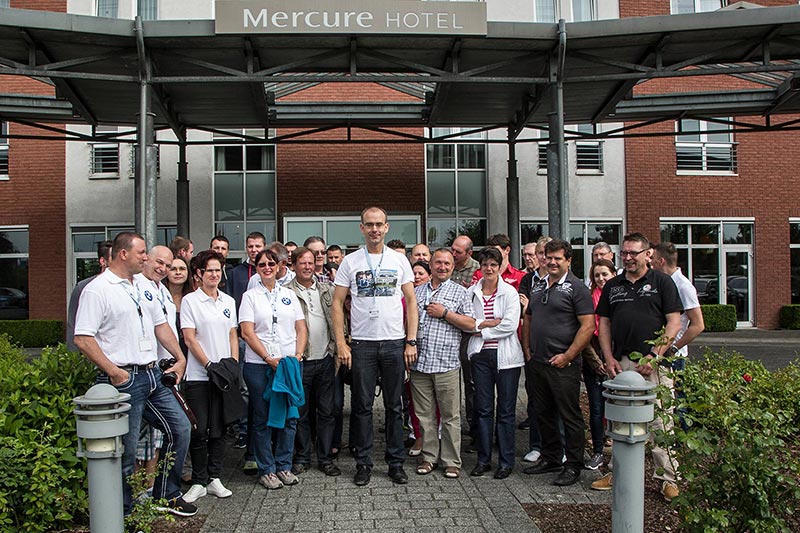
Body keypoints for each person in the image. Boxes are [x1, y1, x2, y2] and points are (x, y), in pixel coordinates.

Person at [73, 232, 195, 518]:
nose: (146, 257)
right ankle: (123, 513)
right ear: (123, 253)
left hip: (152, 375)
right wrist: (114, 373)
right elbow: (83, 338)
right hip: (123, 379)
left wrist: (180, 357)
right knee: (126, 452)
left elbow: (160, 325)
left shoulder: (141, 286)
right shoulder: (98, 288)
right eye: (141, 252)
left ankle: (166, 493)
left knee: (181, 429)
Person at [593, 232, 683, 502]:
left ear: (648, 255)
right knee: (620, 422)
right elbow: (604, 324)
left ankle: (668, 479)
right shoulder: (613, 285)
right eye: (624, 253)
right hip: (621, 364)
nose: (628, 258)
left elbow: (674, 323)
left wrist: (654, 355)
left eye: (634, 253)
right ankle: (618, 472)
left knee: (660, 422)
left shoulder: (663, 283)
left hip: (654, 365)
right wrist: (607, 358)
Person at [332, 206, 418, 486]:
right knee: (362, 406)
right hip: (363, 345)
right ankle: (364, 463)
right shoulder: (350, 262)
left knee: (395, 407)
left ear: (387, 227)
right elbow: (336, 304)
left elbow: (412, 302)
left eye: (379, 224)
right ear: (361, 228)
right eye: (369, 225)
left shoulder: (399, 260)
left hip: (394, 343)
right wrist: (342, 344)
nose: (374, 229)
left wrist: (410, 340)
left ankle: (395, 463)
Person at [522, 240, 594, 487]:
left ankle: (573, 464)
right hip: (538, 362)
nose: (551, 262)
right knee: (543, 413)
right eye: (548, 257)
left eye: (557, 258)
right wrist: (527, 349)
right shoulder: (538, 285)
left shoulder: (577, 288)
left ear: (569, 260)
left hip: (563, 364)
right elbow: (529, 316)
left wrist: (569, 355)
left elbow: (588, 326)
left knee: (569, 415)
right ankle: (551, 457)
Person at [239, 249, 308, 490]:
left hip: (288, 365)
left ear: (279, 266)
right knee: (262, 418)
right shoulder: (250, 297)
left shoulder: (289, 294)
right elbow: (247, 332)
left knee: (289, 417)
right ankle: (266, 469)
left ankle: (284, 465)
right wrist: (267, 357)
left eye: (271, 263)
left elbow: (301, 328)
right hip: (260, 366)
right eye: (261, 264)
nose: (267, 268)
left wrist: (298, 355)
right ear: (256, 268)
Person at [180, 250, 240, 503]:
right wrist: (208, 365)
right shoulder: (190, 302)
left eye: (218, 270)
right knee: (199, 429)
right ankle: (198, 480)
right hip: (199, 376)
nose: (214, 274)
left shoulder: (228, 301)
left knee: (220, 427)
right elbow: (189, 337)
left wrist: (233, 364)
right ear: (199, 274)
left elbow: (232, 334)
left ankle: (214, 478)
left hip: (224, 377)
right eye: (209, 270)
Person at [410, 249, 475, 479]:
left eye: (447, 263)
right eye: (438, 262)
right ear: (431, 264)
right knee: (425, 415)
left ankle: (451, 461)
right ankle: (429, 457)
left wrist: (445, 312)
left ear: (453, 266)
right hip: (420, 363)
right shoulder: (416, 292)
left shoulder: (460, 293)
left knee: (450, 415)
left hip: (446, 362)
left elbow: (471, 324)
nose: (443, 267)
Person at [467, 248, 524, 480]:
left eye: (493, 264)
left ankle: (505, 461)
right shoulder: (471, 292)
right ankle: (483, 460)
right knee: (482, 409)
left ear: (500, 266)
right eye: (484, 265)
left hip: (506, 358)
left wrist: (481, 328)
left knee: (506, 411)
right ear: (479, 267)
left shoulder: (509, 293)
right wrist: (488, 323)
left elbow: (509, 325)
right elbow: (466, 323)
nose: (488, 269)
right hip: (480, 356)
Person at [287, 247, 341, 477]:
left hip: (326, 358)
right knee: (301, 412)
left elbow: (338, 318)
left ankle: (325, 458)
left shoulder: (326, 289)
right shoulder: (286, 293)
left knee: (327, 412)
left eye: (311, 262)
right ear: (294, 266)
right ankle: (302, 457)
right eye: (303, 263)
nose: (308, 267)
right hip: (302, 360)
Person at [651, 242, 705, 429]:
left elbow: (698, 325)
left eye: (652, 259)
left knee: (676, 400)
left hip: (674, 355)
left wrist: (674, 347)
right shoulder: (662, 282)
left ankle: (681, 441)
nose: (650, 262)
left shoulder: (683, 287)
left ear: (661, 261)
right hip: (661, 350)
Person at [226, 231, 266, 465]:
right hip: (241, 337)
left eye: (257, 246)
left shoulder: (268, 273)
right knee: (244, 390)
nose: (253, 249)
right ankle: (243, 432)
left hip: (262, 341)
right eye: (250, 246)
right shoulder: (235, 273)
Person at [518, 236, 551, 452]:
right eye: (540, 254)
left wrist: (532, 306)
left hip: (556, 347)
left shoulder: (565, 282)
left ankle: (560, 448)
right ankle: (537, 446)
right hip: (532, 346)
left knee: (557, 401)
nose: (542, 258)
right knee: (535, 398)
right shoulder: (528, 281)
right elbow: (524, 313)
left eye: (547, 255)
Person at [583, 259, 616, 471]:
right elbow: (585, 333)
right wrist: (597, 362)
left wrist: (610, 359)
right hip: (593, 362)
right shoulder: (588, 299)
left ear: (614, 273)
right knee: (596, 409)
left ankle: (617, 453)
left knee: (615, 409)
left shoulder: (621, 298)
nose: (601, 279)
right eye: (597, 276)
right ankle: (597, 452)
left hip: (616, 361)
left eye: (605, 274)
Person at [67, 239, 112, 352]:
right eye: (114, 258)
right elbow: (73, 326)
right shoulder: (83, 288)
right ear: (103, 261)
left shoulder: (127, 287)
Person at [164, 257, 193, 356]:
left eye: (182, 269)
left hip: (191, 353)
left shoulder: (194, 299)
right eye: (173, 269)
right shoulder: (160, 297)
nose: (178, 272)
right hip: (167, 353)